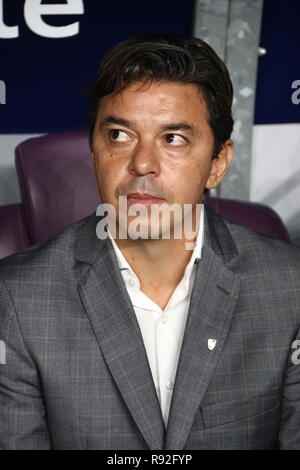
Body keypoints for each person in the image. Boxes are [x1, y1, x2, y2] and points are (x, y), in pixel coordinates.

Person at [0, 34, 300, 450]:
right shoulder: (17, 298)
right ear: (93, 153)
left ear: (217, 164)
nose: (142, 163)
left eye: (173, 139)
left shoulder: (290, 288)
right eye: (120, 135)